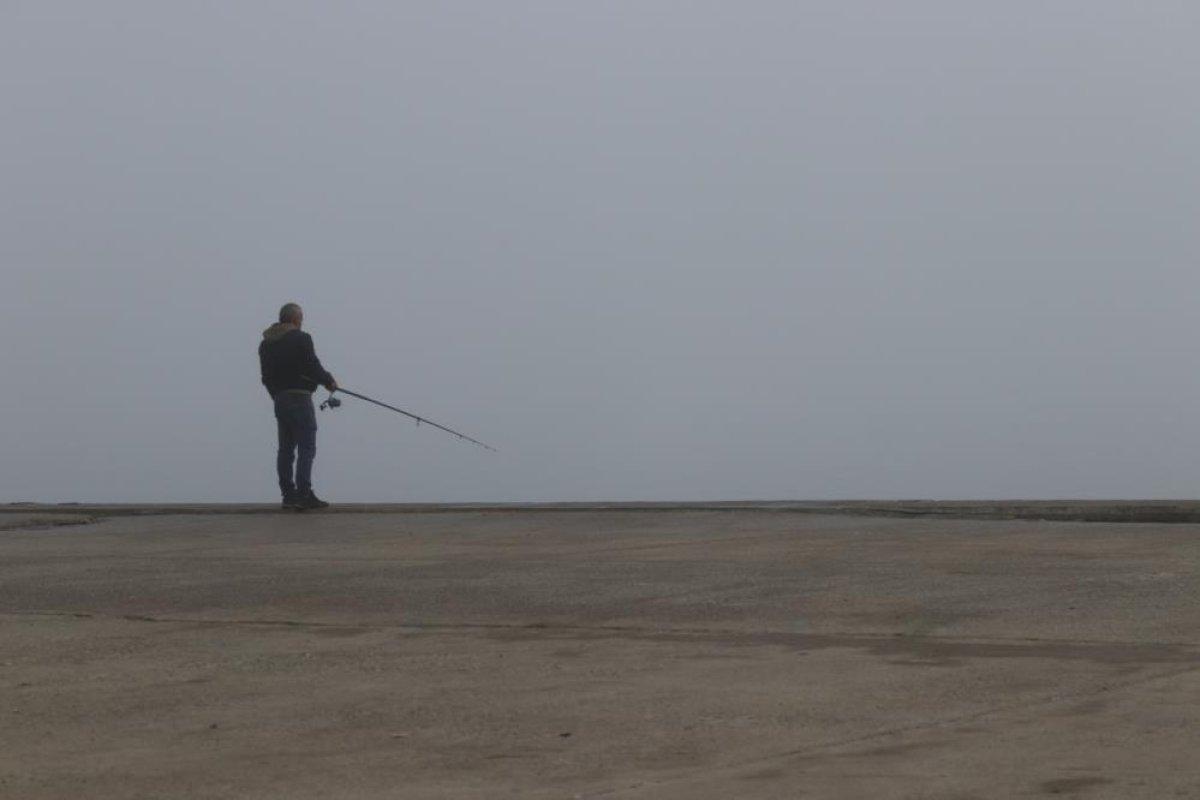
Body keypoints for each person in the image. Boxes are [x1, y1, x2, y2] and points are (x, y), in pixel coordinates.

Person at [258, 303, 337, 510]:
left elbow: (265, 378)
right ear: (294, 319)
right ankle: (304, 494)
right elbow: (313, 366)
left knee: (285, 449)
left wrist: (276, 395)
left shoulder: (265, 344)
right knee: (306, 447)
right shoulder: (301, 338)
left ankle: (288, 495)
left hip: (280, 400)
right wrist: (329, 381)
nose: (302, 322)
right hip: (300, 398)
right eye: (301, 318)